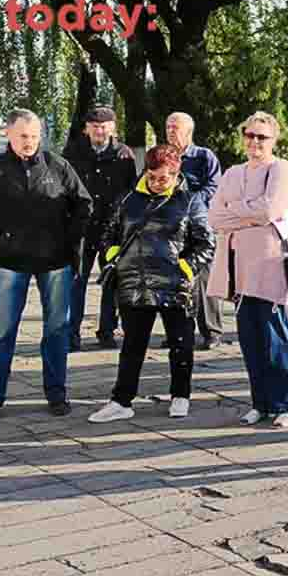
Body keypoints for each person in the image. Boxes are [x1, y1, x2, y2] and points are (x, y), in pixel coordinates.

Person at [0, 109, 93, 422]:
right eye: (23, 136)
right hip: (11, 262)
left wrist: (69, 240)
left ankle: (57, 393)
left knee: (56, 330)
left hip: (55, 262)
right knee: (0, 331)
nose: (29, 142)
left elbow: (83, 204)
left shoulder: (57, 166)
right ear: (8, 134)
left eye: (35, 136)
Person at [88, 145, 216, 423]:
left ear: (176, 173)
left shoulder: (190, 201)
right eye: (152, 176)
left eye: (164, 178)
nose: (157, 183)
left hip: (175, 283)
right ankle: (121, 400)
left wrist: (186, 266)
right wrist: (112, 255)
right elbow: (109, 234)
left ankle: (180, 395)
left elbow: (206, 243)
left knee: (181, 343)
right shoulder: (127, 199)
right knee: (132, 345)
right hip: (134, 281)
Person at [206, 111, 288, 428]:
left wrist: (237, 212)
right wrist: (248, 214)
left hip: (270, 262)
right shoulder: (233, 172)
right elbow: (214, 217)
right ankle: (261, 402)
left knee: (275, 335)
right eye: (249, 135)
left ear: (274, 139)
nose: (255, 142)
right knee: (250, 338)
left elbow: (270, 210)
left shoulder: (281, 168)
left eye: (261, 136)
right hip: (237, 265)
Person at [63, 105, 136, 351]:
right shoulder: (72, 152)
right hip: (82, 229)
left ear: (113, 127)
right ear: (86, 129)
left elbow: (130, 193)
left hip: (111, 230)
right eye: (94, 126)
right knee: (76, 282)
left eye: (104, 126)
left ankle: (107, 331)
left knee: (111, 282)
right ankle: (71, 334)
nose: (99, 131)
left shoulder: (124, 155)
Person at [163, 112, 224, 350]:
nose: (170, 131)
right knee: (173, 281)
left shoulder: (203, 156)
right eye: (168, 127)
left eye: (175, 127)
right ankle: (177, 331)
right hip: (171, 229)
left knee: (205, 281)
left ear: (188, 131)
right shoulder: (163, 156)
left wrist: (189, 201)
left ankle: (211, 331)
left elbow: (214, 186)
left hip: (199, 227)